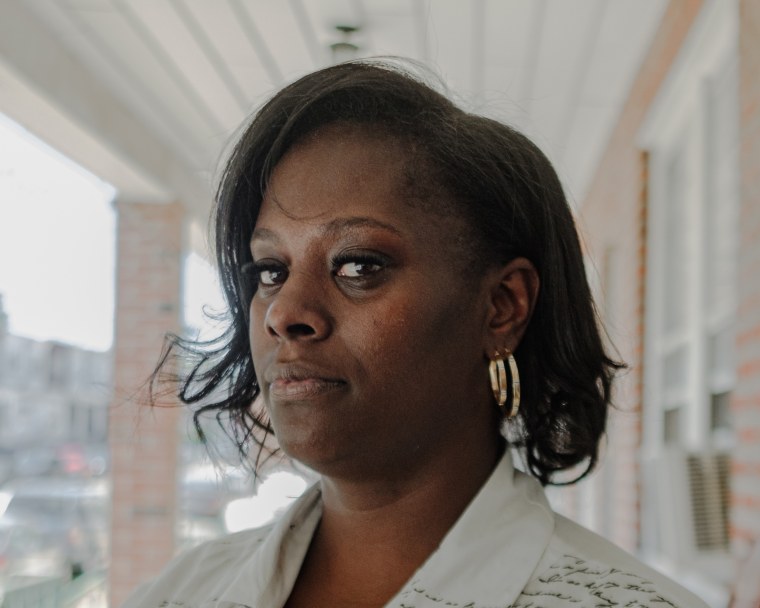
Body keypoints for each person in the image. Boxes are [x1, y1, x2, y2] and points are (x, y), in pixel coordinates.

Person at [124, 60, 708, 608]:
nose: (285, 312)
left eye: (358, 265)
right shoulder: (181, 592)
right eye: (271, 271)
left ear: (502, 307)